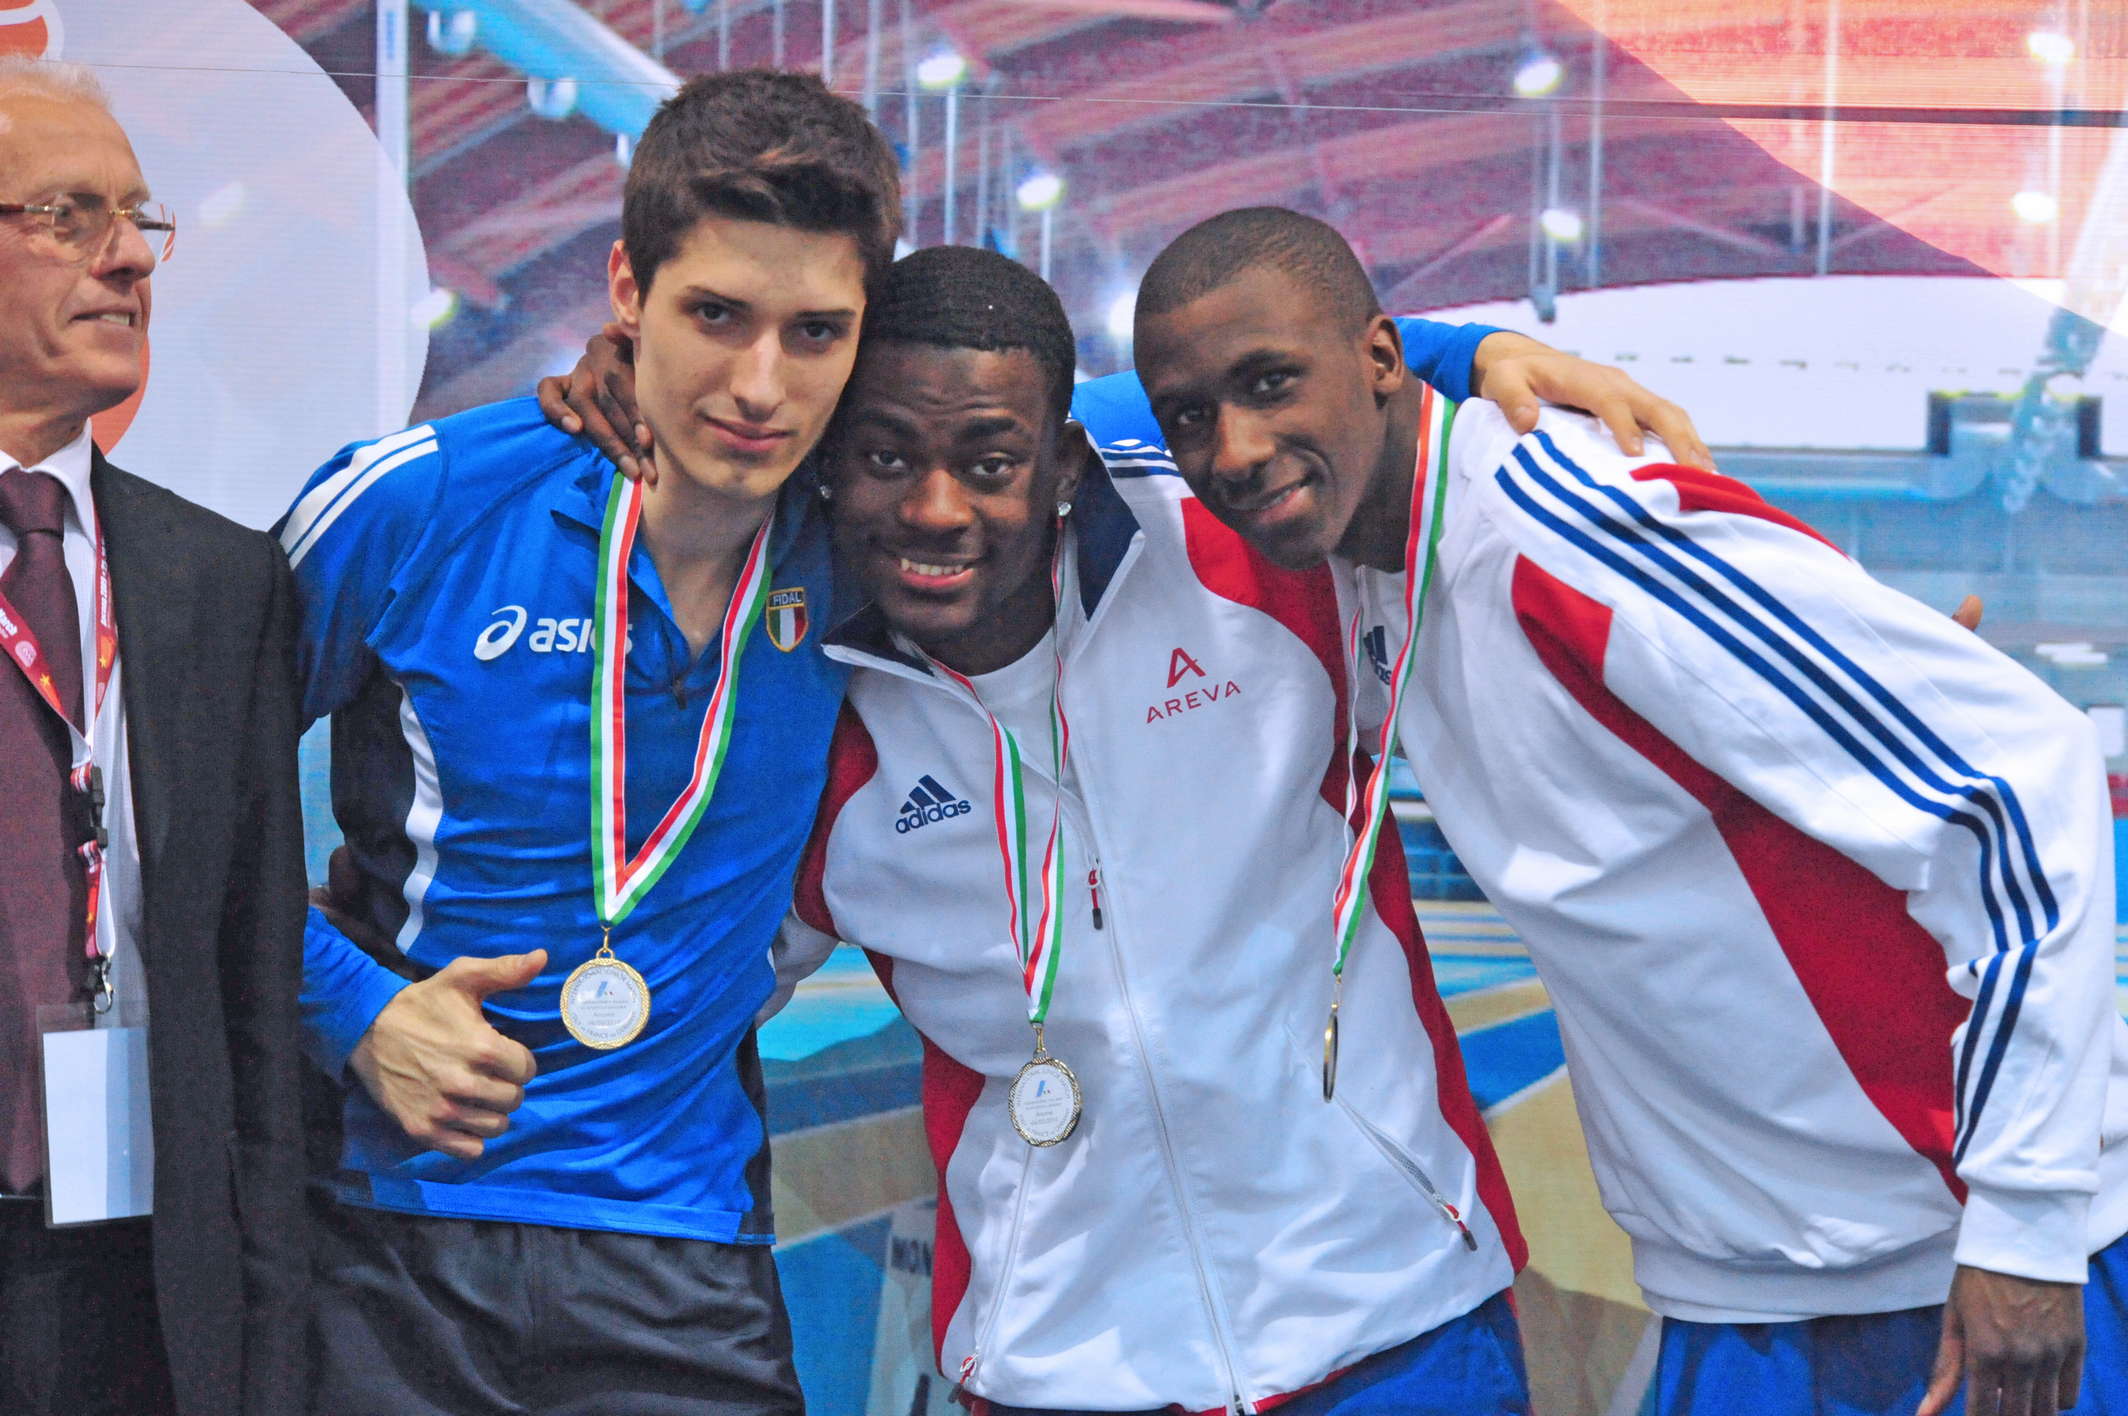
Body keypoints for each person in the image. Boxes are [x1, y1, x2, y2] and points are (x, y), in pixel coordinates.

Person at [1123, 206, 2128, 1416]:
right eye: (1190, 416)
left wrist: (2026, 1226)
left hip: (1958, 1265)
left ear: (1381, 359)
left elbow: (2020, 781)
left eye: (1271, 383)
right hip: (1744, 1285)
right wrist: (1470, 348)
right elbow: (1055, 411)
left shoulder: (1561, 527)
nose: (1233, 449)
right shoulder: (1371, 563)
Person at [774, 244, 1526, 1413]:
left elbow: (1332, 375)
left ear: (1063, 466)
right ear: (828, 465)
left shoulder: (1247, 554)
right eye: (883, 458)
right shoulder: (795, 718)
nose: (935, 509)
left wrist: (1476, 351)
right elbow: (696, 984)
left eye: (989, 463)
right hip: (1060, 1364)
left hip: (1395, 1313)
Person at [277, 71, 896, 1414]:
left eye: (816, 332)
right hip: (391, 1236)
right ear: (627, 288)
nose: (760, 386)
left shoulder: (868, 542)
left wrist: (1404, 361)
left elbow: (1118, 417)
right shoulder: (421, 503)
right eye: (713, 315)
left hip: (684, 1255)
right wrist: (351, 1007)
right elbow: (160, 792)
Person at [0, 58, 308, 1416]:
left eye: (138, 220)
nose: (128, 258)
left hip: (140, 1280)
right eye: (68, 215)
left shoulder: (217, 581)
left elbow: (255, 1000)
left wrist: (267, 1353)